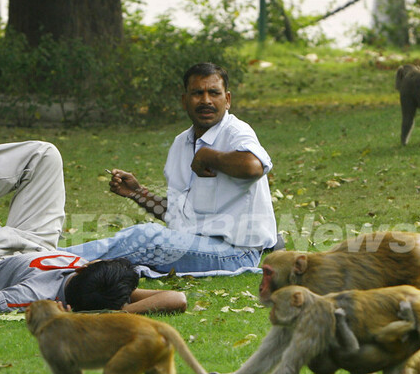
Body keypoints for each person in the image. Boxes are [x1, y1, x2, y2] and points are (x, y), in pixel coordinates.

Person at [0, 131, 186, 314]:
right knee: (45, 155)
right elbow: (177, 298)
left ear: (84, 268)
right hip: (36, 245)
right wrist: (118, 313)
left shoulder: (35, 297)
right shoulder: (103, 290)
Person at [62, 62, 279, 273]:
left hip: (236, 254)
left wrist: (207, 155)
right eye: (197, 93)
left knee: (145, 238)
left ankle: (53, 259)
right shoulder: (180, 144)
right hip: (195, 246)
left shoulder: (236, 132)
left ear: (227, 99)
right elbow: (178, 216)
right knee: (137, 242)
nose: (206, 100)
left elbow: (253, 166)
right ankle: (58, 260)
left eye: (214, 93)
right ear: (185, 101)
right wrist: (138, 194)